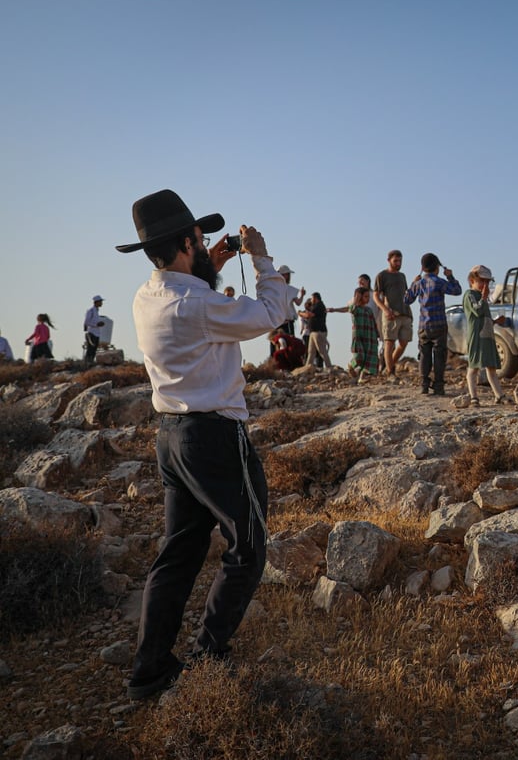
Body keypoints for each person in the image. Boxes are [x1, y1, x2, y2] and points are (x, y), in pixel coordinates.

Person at [115, 188, 288, 701]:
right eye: (201, 236)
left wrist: (207, 264)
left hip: (171, 438)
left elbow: (193, 298)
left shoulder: (149, 297)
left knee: (179, 552)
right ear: (185, 241)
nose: (208, 240)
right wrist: (260, 257)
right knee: (249, 546)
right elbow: (270, 313)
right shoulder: (197, 304)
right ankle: (209, 657)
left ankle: (149, 672)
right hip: (214, 436)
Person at [404, 252, 461, 395]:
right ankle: (439, 385)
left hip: (424, 325)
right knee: (439, 355)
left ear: (422, 268)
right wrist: (450, 276)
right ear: (437, 267)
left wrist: (412, 283)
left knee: (424, 354)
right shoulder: (439, 282)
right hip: (439, 325)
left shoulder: (419, 283)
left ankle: (424, 384)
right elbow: (457, 291)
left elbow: (407, 300)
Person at [463, 265, 508, 406]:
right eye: (482, 281)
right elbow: (477, 311)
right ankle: (473, 397)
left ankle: (499, 395)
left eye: (487, 282)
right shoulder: (469, 295)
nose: (485, 285)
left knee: (491, 367)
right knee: (474, 367)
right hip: (477, 337)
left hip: (487, 336)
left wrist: (494, 322)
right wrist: (483, 297)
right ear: (472, 280)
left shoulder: (482, 297)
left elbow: (483, 317)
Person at [374, 250, 413, 376]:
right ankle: (391, 372)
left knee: (404, 343)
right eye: (395, 261)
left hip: (405, 313)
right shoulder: (382, 275)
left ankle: (388, 367)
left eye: (400, 261)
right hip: (391, 313)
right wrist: (385, 309)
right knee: (389, 343)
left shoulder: (402, 276)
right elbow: (376, 295)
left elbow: (406, 293)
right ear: (389, 260)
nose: (398, 263)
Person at [347, 286, 381, 383]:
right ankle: (350, 365)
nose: (368, 299)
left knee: (368, 357)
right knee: (360, 356)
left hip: (370, 337)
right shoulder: (356, 309)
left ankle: (362, 377)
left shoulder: (369, 310)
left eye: (368, 297)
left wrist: (377, 333)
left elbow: (373, 322)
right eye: (366, 296)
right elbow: (351, 309)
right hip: (359, 336)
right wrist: (356, 299)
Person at [299, 292, 331, 370]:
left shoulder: (319, 305)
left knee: (322, 351)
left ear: (315, 298)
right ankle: (307, 367)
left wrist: (300, 313)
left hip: (318, 331)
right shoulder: (316, 306)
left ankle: (329, 366)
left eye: (312, 298)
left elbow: (309, 315)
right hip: (313, 332)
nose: (311, 300)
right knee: (311, 352)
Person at [277, 265, 305, 336]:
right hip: (287, 321)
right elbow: (298, 303)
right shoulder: (290, 289)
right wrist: (302, 295)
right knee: (289, 342)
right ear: (285, 275)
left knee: (276, 341)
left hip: (276, 321)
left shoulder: (273, 289)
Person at [84, 295, 106, 365]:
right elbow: (86, 322)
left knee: (94, 350)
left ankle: (91, 363)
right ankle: (87, 363)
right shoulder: (91, 311)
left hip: (96, 333)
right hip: (92, 333)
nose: (101, 303)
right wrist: (97, 324)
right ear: (96, 302)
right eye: (100, 302)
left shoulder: (96, 311)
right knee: (90, 349)